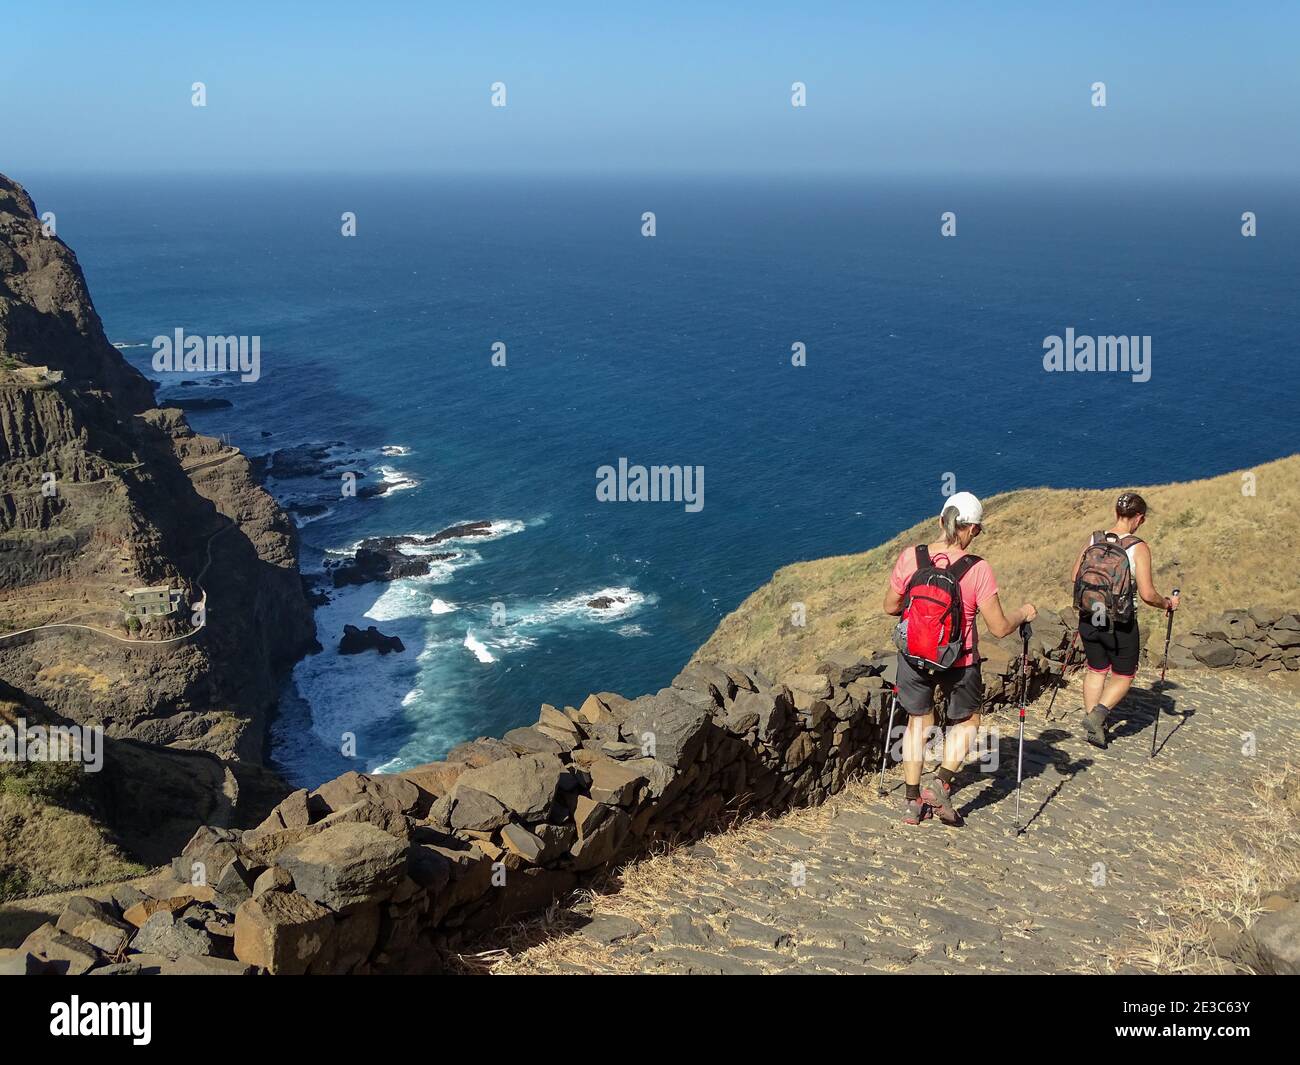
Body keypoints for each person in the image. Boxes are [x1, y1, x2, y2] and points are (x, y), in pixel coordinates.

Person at [884, 492, 1036, 826]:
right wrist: (1024, 613)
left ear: (941, 520)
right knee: (967, 722)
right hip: (960, 659)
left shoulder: (911, 557)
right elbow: (998, 628)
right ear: (973, 530)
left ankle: (912, 801)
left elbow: (890, 606)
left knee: (917, 724)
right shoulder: (978, 569)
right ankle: (940, 783)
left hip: (914, 655)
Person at [1070, 492, 1179, 749]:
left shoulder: (1094, 539)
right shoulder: (1137, 547)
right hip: (1120, 622)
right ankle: (1098, 715)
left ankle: (1094, 726)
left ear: (1116, 512)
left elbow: (1075, 575)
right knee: (1124, 675)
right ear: (1139, 518)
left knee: (1096, 670)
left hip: (1090, 616)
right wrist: (1167, 603)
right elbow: (1147, 593)